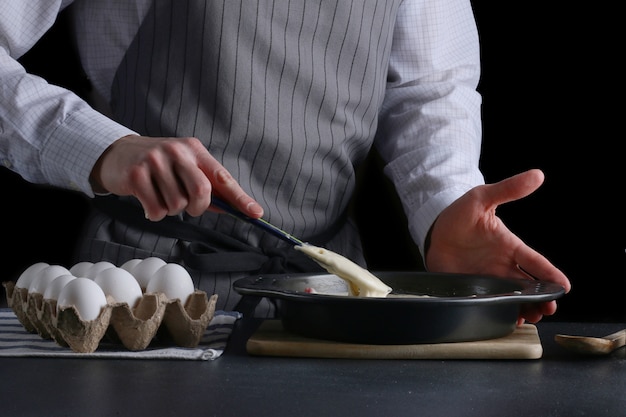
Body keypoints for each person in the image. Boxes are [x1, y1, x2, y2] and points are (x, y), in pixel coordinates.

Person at [0, 1, 570, 322]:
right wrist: (98, 145)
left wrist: (443, 204)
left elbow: (429, 85)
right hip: (136, 294)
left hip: (329, 300)